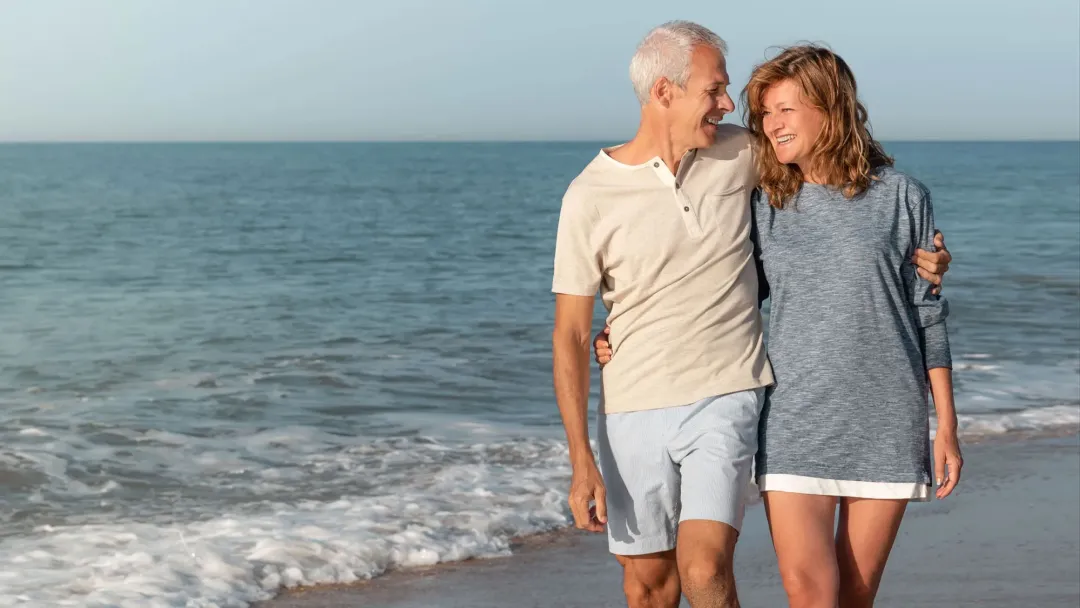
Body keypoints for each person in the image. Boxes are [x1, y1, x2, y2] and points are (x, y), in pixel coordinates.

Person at [552, 22, 952, 608]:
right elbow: (578, 328)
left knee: (726, 573)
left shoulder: (755, 157)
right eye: (717, 91)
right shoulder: (603, 194)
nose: (733, 107)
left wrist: (927, 270)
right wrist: (614, 349)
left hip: (750, 395)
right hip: (681, 405)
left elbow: (906, 287)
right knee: (657, 589)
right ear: (665, 91)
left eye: (772, 107)